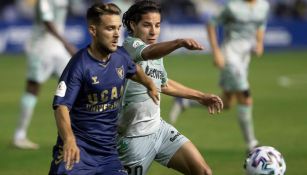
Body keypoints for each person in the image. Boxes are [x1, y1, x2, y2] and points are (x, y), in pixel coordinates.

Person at [48, 2, 159, 175]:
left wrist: (149, 84)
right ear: (93, 31)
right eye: (109, 29)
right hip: (77, 150)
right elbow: (61, 107)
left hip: (108, 154)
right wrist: (69, 139)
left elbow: (134, 69)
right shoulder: (79, 65)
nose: (116, 35)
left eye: (118, 28)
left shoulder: (120, 56)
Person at [116, 1, 223, 175]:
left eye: (157, 25)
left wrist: (200, 97)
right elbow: (148, 53)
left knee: (203, 172)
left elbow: (164, 84)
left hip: (160, 130)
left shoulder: (157, 53)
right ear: (132, 25)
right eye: (147, 25)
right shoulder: (129, 47)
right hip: (133, 138)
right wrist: (179, 42)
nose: (153, 31)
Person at [13, 0, 77, 149]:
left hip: (58, 50)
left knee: (74, 83)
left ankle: (79, 133)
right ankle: (19, 135)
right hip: (41, 48)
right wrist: (67, 43)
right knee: (33, 87)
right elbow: (47, 21)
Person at [206, 0, 270, 151]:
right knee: (245, 98)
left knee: (227, 103)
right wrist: (216, 52)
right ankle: (252, 144)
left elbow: (261, 23)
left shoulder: (264, 6)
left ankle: (185, 102)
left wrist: (260, 43)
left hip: (244, 58)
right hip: (229, 55)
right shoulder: (232, 7)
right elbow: (211, 23)